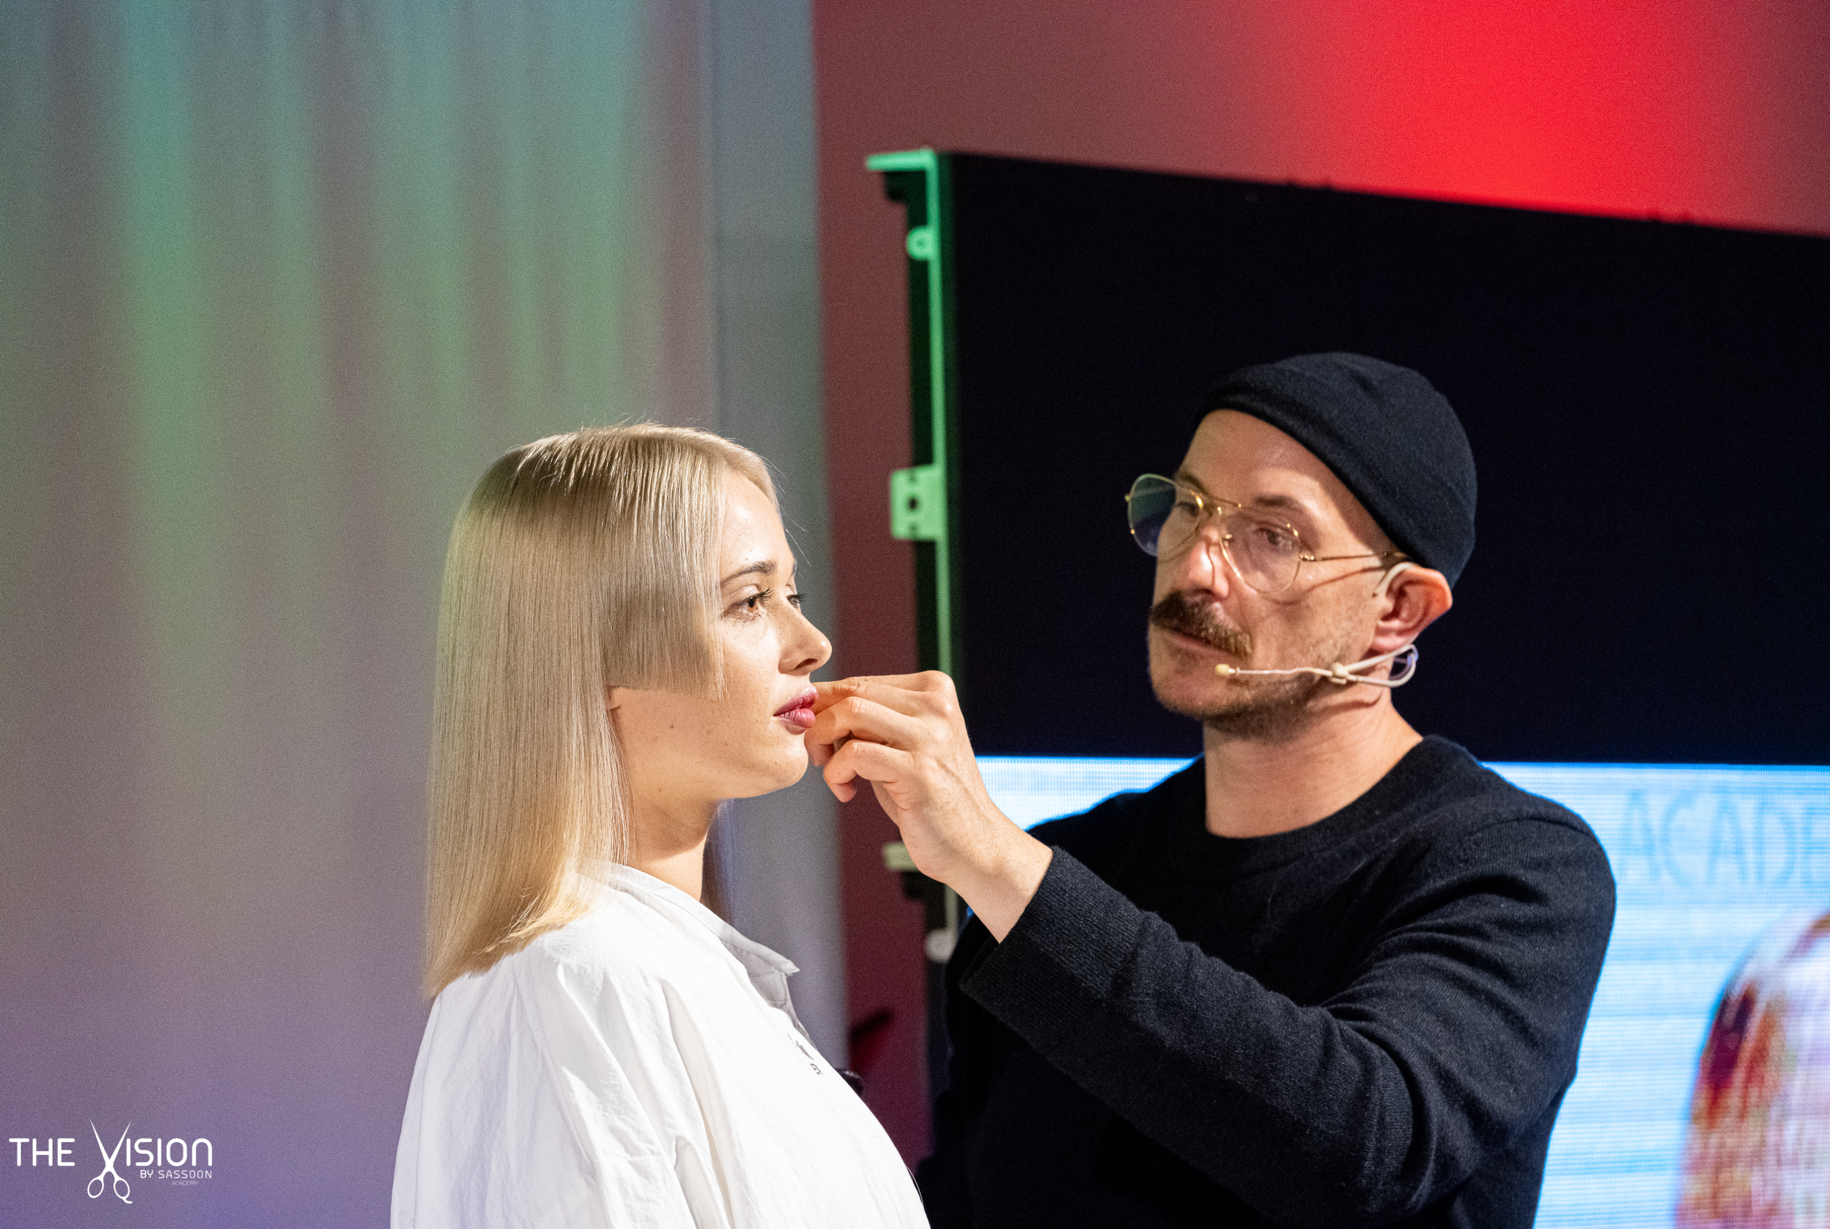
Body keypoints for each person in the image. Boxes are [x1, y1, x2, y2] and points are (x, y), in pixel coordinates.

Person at [810, 353, 1617, 1228]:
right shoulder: (1079, 862)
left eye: (1272, 536)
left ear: (1398, 610)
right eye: (1188, 508)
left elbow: (1364, 1144)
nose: (1196, 567)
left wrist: (1000, 863)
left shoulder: (1515, 866)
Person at [392, 425, 926, 1229]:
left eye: (792, 595)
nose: (812, 644)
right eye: (750, 601)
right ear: (600, 655)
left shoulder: (648, 973)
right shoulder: (579, 988)